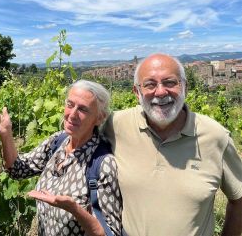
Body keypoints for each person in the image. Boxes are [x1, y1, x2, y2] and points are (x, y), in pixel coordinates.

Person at [104, 53, 242, 236]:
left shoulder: (216, 137)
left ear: (185, 87)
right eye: (150, 84)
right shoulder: (115, 125)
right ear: (136, 92)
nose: (160, 92)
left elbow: (239, 199)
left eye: (170, 82)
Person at [0, 80, 123, 236]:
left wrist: (75, 210)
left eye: (82, 109)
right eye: (70, 104)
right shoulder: (57, 141)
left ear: (99, 118)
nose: (72, 114)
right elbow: (18, 169)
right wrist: (6, 134)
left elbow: (110, 233)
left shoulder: (103, 163)